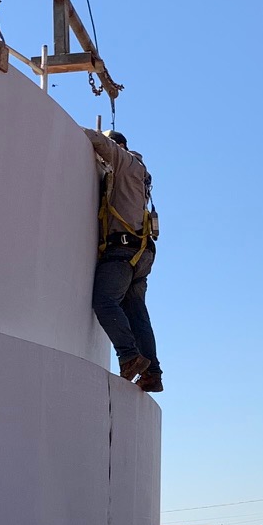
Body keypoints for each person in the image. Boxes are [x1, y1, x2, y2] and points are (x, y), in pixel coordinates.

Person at [84, 126, 162, 393]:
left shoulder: (124, 160)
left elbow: (97, 141)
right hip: (142, 253)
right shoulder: (142, 172)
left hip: (124, 248)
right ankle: (153, 373)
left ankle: (129, 355)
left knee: (105, 301)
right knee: (137, 312)